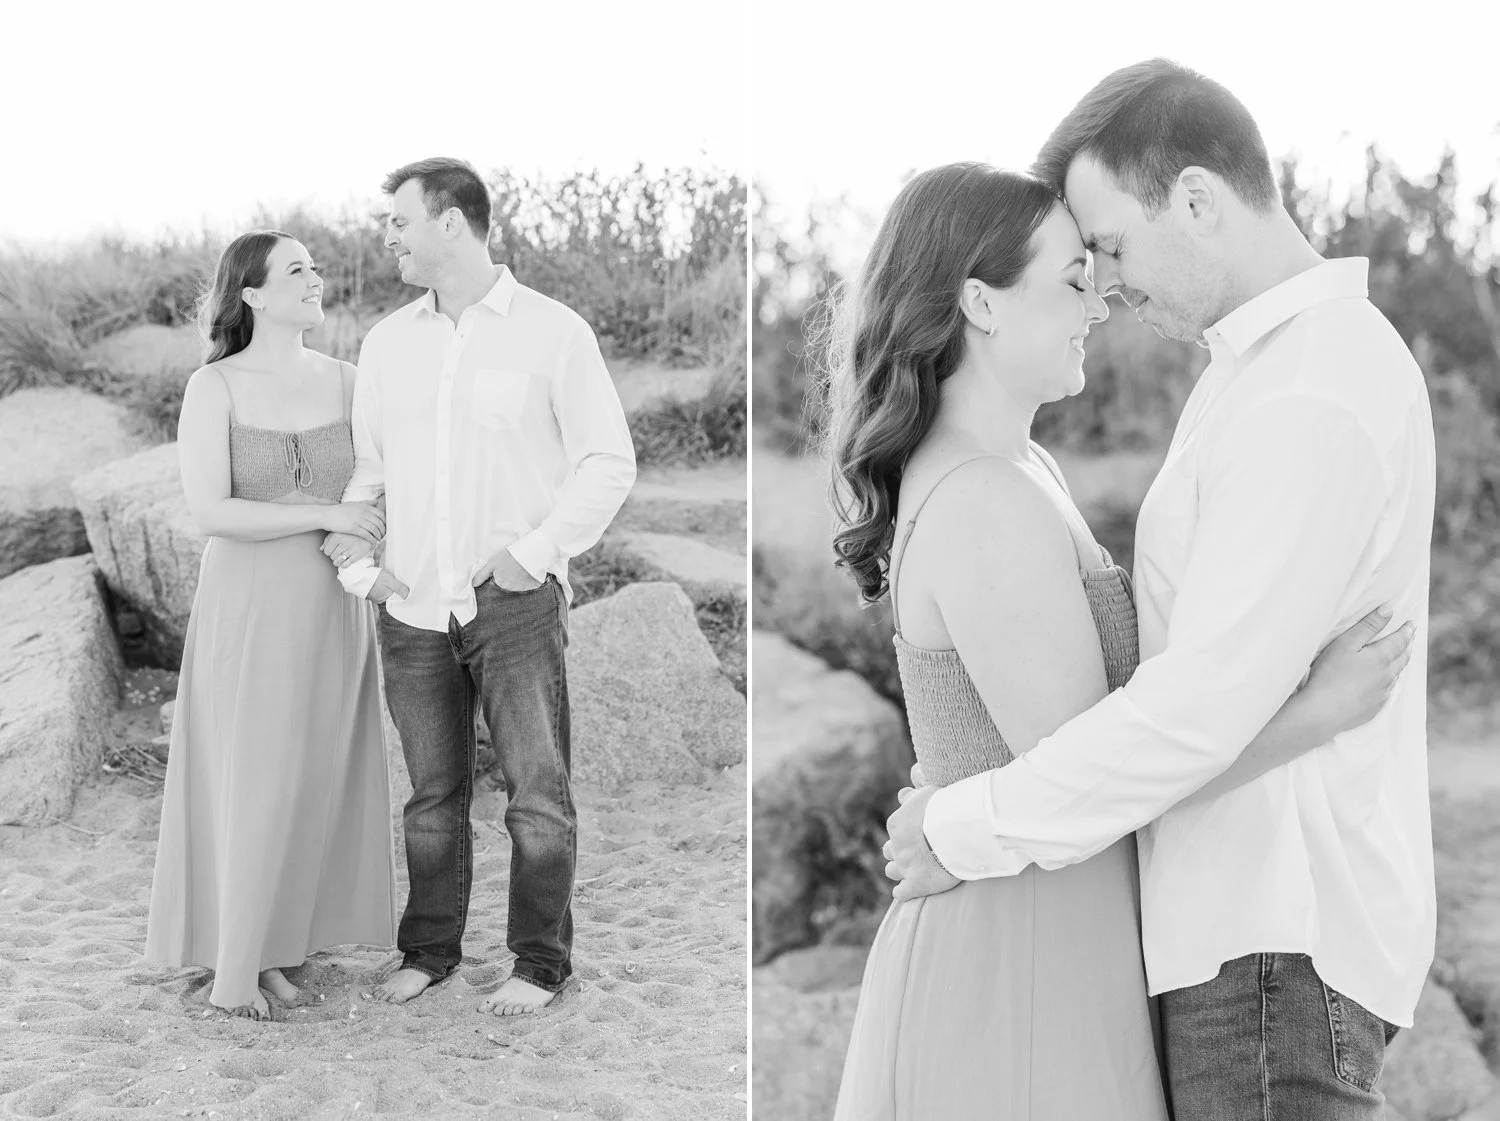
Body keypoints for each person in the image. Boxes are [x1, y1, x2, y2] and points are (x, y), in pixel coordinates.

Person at [884, 62, 1436, 1121]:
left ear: (1195, 199)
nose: (1107, 286)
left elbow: (1192, 709)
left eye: (1113, 249)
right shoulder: (1258, 374)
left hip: (1269, 936)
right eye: (1081, 267)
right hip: (1240, 938)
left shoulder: (1304, 393)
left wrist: (961, 822)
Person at [324, 158, 636, 1016]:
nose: (388, 235)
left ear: (451, 222)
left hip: (515, 604)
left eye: (399, 220)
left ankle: (540, 963)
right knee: (431, 797)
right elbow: (368, 475)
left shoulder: (553, 332)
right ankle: (429, 951)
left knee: (537, 795)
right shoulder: (388, 343)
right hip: (413, 605)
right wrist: (361, 569)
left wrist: (532, 553)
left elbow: (608, 461)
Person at [145, 230, 398, 1022]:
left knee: (309, 777)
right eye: (297, 270)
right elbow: (210, 510)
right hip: (248, 608)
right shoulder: (213, 387)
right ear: (251, 294)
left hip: (331, 606)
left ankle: (278, 951)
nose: (316, 279)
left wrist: (365, 533)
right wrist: (326, 510)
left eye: (316, 268)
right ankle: (233, 967)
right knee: (252, 777)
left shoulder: (351, 380)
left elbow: (382, 486)